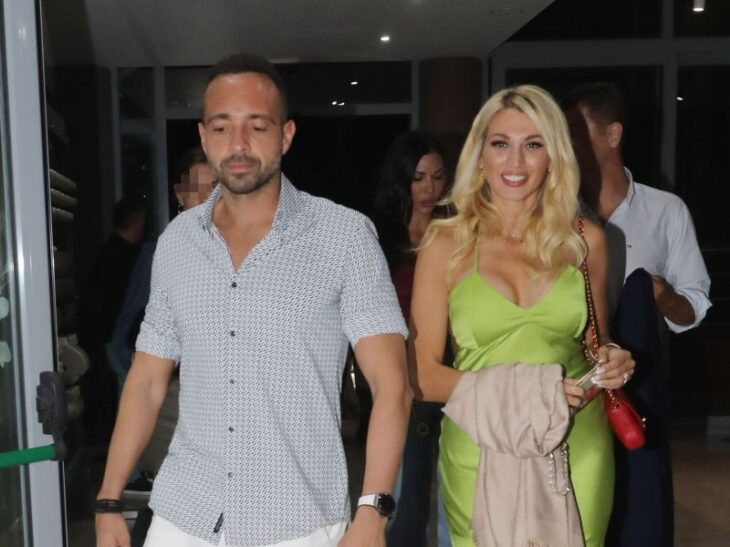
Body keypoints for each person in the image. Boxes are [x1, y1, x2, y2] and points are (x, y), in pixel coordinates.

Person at [95, 53, 410, 547]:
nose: (238, 144)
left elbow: (392, 385)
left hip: (297, 522)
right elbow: (147, 381)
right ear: (204, 137)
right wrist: (109, 499)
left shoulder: (344, 237)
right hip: (183, 516)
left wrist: (373, 512)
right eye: (222, 127)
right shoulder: (177, 242)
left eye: (257, 126)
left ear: (285, 135)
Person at [409, 84, 635, 547]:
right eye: (500, 144)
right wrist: (524, 394)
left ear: (554, 156)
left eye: (533, 144)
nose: (515, 162)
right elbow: (422, 375)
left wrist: (613, 359)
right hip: (481, 442)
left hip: (576, 443)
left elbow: (596, 343)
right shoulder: (445, 244)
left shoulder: (586, 240)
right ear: (480, 155)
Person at [564, 82, 712, 547]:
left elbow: (692, 311)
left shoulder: (665, 211)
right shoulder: (555, 216)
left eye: (578, 133)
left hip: (639, 389)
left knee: (640, 515)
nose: (567, 145)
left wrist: (660, 295)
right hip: (570, 390)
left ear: (613, 135)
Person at [372, 130, 448, 547]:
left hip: (453, 373)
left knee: (458, 499)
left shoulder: (456, 230)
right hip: (402, 381)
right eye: (418, 178)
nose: (429, 189)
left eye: (437, 177)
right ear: (401, 180)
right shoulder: (380, 237)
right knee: (405, 503)